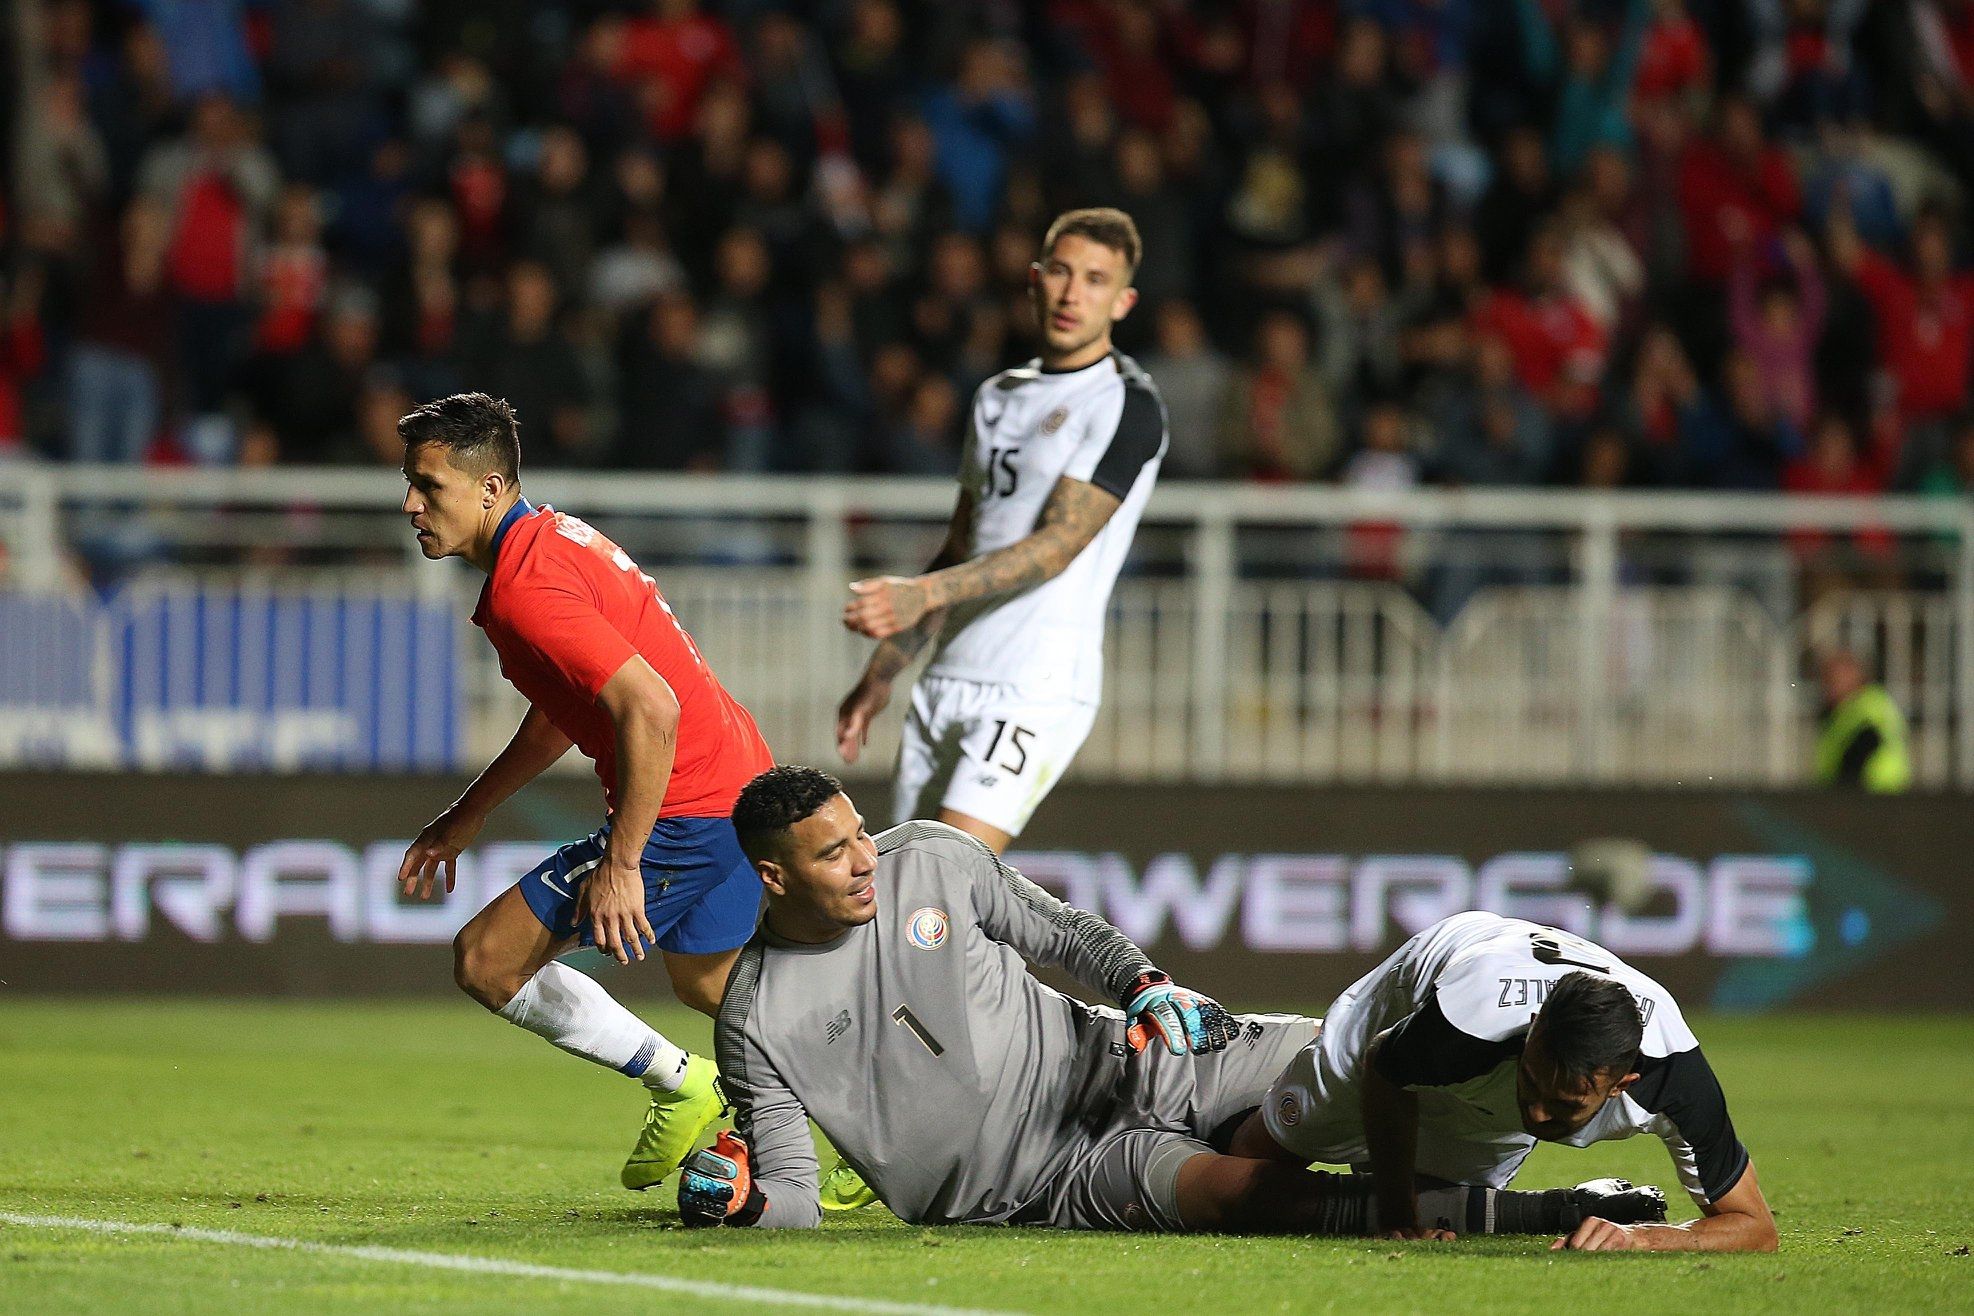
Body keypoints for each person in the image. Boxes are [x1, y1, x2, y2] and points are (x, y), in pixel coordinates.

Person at [675, 767, 1669, 1240]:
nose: (864, 861)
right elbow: (796, 1196)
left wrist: (1145, 983)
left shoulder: (926, 856)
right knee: (1248, 1195)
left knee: (1336, 1062)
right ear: (770, 876)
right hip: (1043, 1177)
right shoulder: (756, 1016)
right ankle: (1566, 1208)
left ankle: (1520, 1142)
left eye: (859, 832)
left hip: (1125, 1054)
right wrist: (749, 1201)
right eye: (834, 852)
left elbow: (1065, 934)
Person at [392, 391, 773, 1191]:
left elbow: (649, 707)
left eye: (430, 486)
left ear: (490, 488)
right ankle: (859, 1121)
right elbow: (566, 712)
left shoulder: (525, 587)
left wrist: (624, 861)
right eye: (410, 483)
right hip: (736, 778)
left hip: (688, 802)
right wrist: (470, 813)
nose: (411, 504)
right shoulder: (549, 539)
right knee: (713, 986)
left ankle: (683, 1082)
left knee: (488, 961)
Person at [836, 208, 1167, 855]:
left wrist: (921, 595)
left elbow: (1057, 547)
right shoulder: (998, 396)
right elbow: (962, 545)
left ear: (1123, 301)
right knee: (901, 899)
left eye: (1096, 280)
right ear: (1034, 280)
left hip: (1033, 686)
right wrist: (886, 668)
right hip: (948, 674)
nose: (1074, 294)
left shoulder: (1125, 403)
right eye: (1063, 274)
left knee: (943, 883)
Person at [1221, 911, 1779, 1252]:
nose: (1537, 1116)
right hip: (1419, 994)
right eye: (1532, 1086)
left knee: (1431, 1201)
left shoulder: (1675, 1077)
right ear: (1532, 1031)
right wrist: (1395, 1219)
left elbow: (1754, 1226)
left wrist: (1642, 1239)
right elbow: (1385, 1070)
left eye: (1562, 1104)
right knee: (1259, 1160)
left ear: (1620, 1085)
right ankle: (1228, 1100)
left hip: (1476, 1073)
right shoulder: (1467, 1023)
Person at [1813, 648, 1912, 791]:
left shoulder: (1866, 707)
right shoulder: (1852, 708)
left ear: (1854, 677)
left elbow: (1861, 750)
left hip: (1872, 794)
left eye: (1834, 679)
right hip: (1875, 794)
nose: (1829, 687)